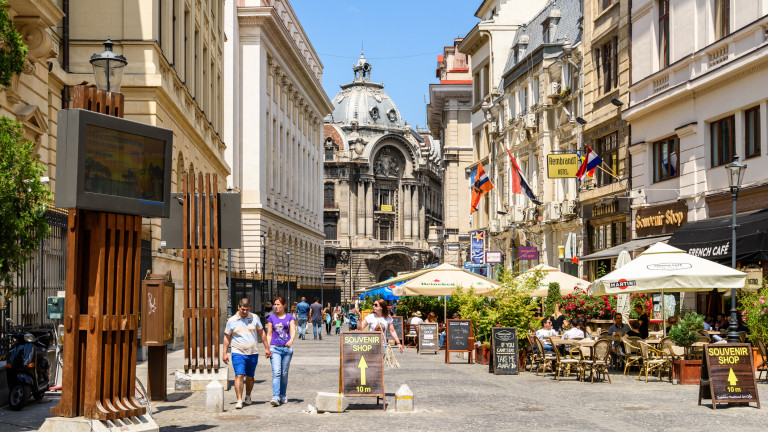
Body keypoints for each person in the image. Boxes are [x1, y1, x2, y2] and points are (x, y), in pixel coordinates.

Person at [222, 298, 271, 409]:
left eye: (247, 309)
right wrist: (224, 353)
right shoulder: (232, 320)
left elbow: (261, 333)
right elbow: (227, 337)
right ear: (239, 307)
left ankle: (248, 396)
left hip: (252, 352)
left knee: (249, 377)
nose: (245, 312)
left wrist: (267, 348)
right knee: (239, 375)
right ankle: (239, 399)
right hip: (237, 352)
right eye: (243, 309)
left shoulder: (255, 318)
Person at [266, 297, 296, 406]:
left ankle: (283, 395)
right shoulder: (271, 318)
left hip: (287, 348)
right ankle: (275, 396)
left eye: (278, 304)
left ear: (284, 305)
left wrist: (291, 340)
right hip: (275, 347)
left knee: (284, 373)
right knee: (277, 372)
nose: (276, 306)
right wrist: (267, 348)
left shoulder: (290, 317)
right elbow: (269, 334)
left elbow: (293, 330)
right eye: (275, 304)